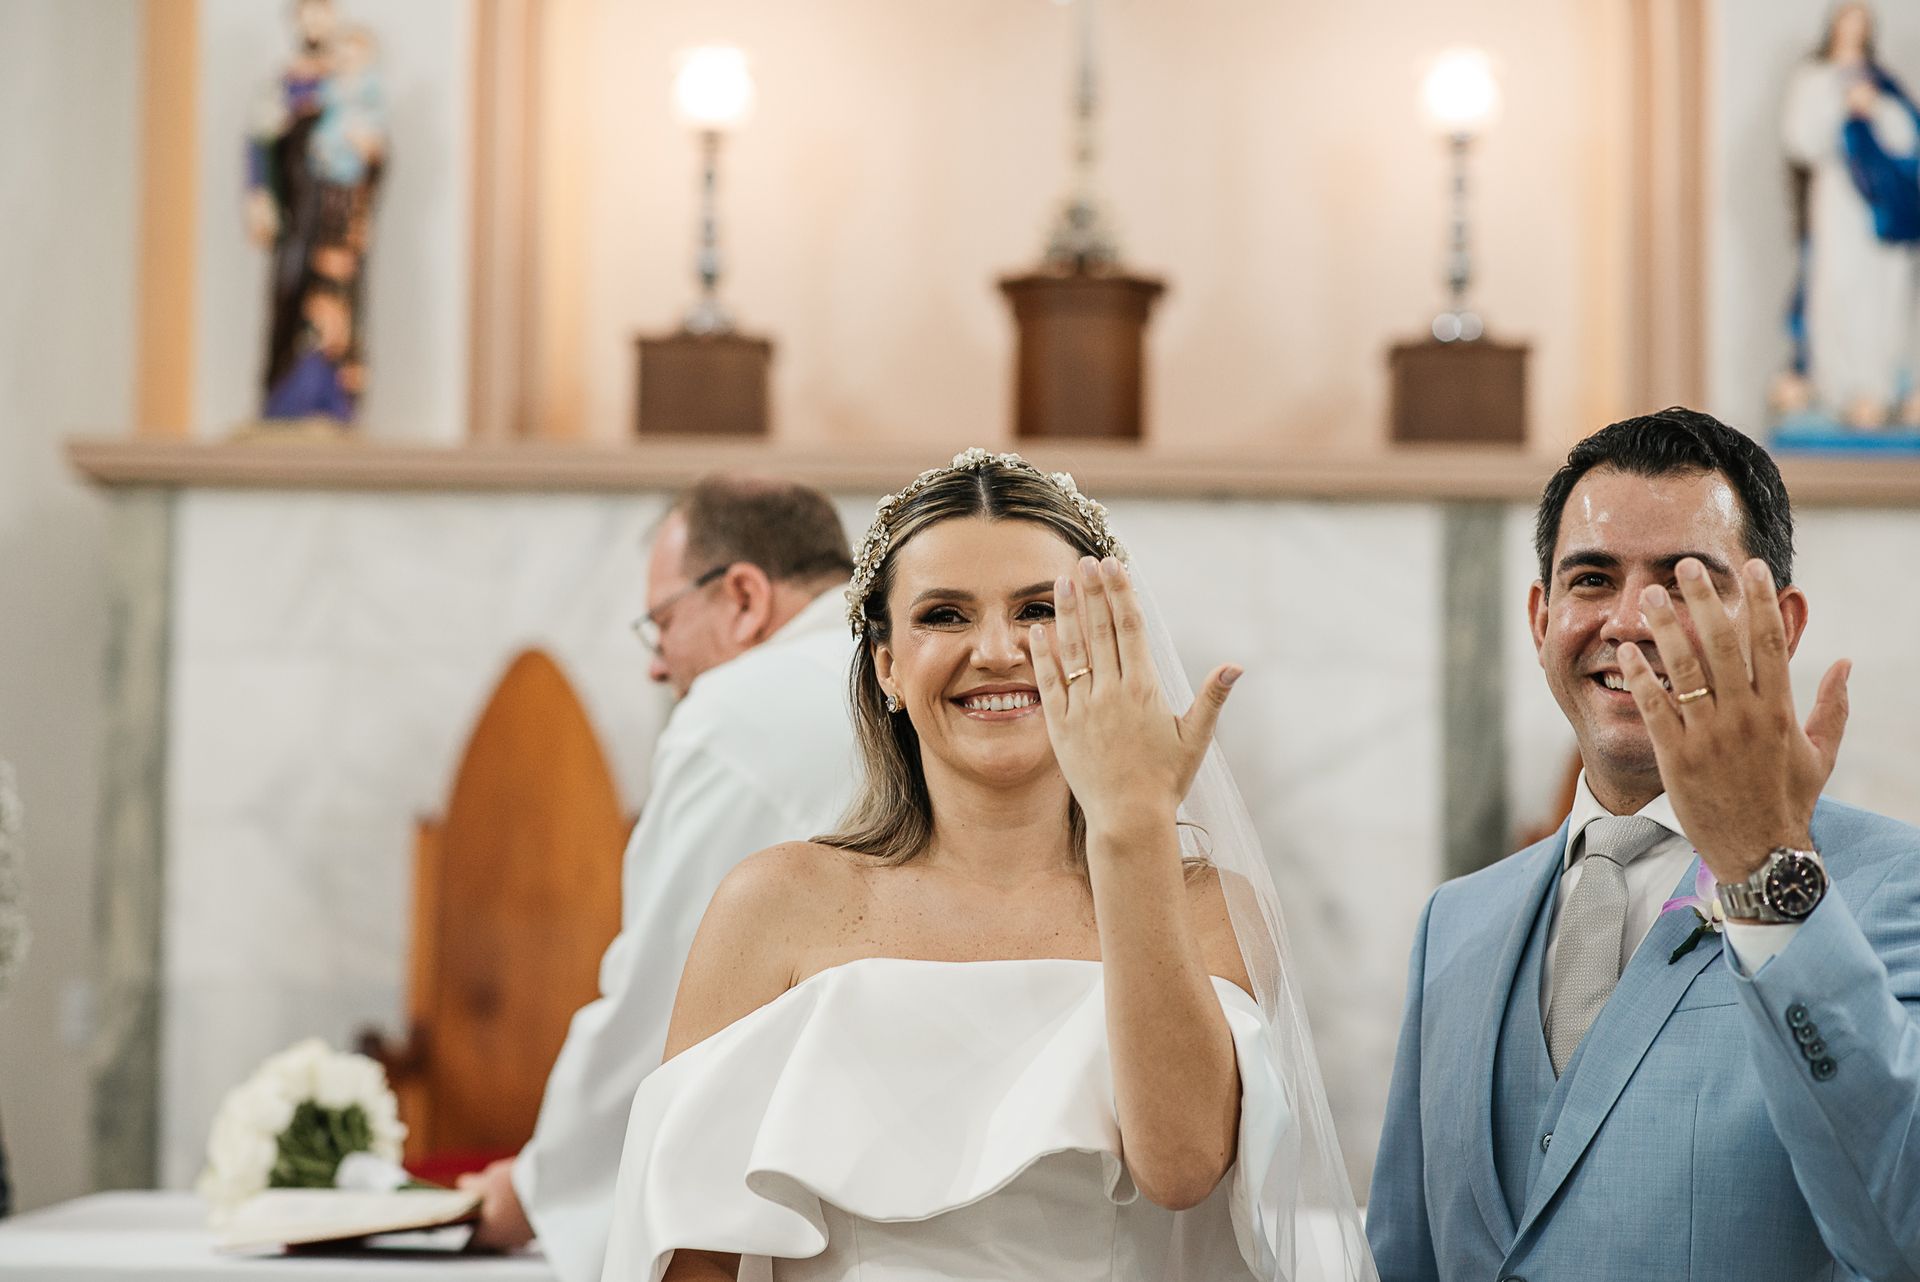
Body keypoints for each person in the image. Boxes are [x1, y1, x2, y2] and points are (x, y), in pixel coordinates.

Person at [598, 450, 1372, 1282]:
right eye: (944, 615)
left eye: (1038, 609)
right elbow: (692, 1251)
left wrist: (1132, 826)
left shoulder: (1210, 907)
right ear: (888, 664)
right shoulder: (773, 905)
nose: (998, 651)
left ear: (1102, 642)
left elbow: (1180, 1168)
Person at [1368, 408, 1920, 1280]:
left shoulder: (1895, 885)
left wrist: (1763, 872)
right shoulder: (1456, 922)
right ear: (1541, 616)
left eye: (1685, 579)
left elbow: (1903, 1232)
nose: (1630, 621)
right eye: (1592, 579)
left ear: (1781, 623)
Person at [460, 477, 861, 1282]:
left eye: (665, 623)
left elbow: (663, 996)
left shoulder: (733, 711)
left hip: (789, 1192)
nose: (656, 667)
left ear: (744, 597)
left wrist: (540, 1190)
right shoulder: (913, 672)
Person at [1780, 3, 1920, 430]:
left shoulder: (1881, 79)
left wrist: (1873, 107)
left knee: (1881, 296)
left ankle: (1877, 387)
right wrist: (1843, 109)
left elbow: (1907, 136)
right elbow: (1800, 140)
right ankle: (1839, 389)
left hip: (1878, 212)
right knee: (1835, 290)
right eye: (1847, 21)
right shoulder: (1815, 79)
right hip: (1839, 201)